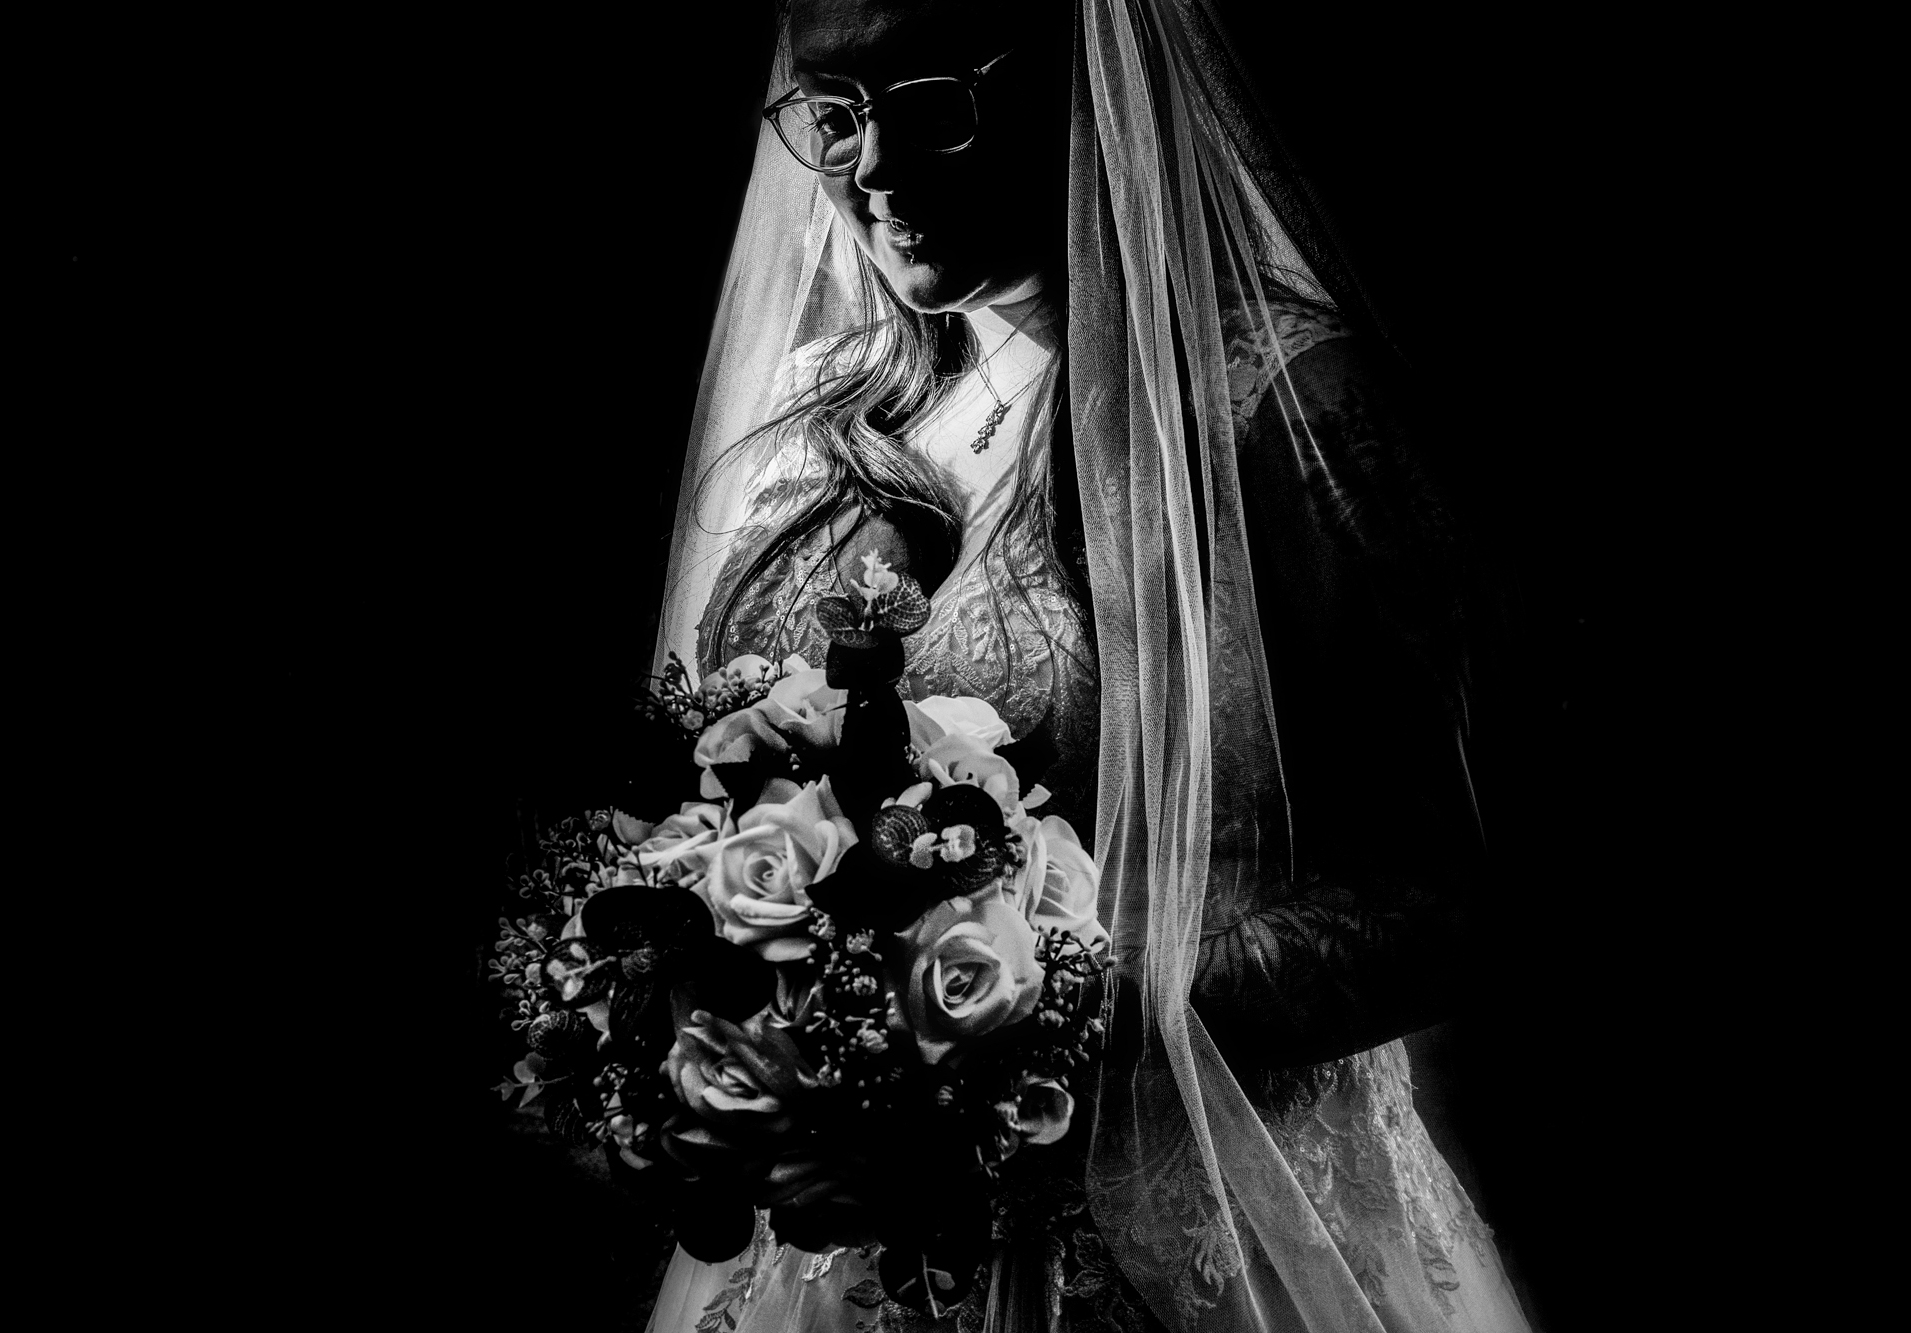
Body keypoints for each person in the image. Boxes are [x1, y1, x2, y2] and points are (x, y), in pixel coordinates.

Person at [644, 2, 1534, 1329]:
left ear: (1071, 83)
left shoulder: (1277, 410)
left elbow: (1477, 879)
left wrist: (1076, 1001)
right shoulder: (818, 434)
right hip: (851, 1244)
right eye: (837, 111)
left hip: (1195, 1234)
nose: (874, 167)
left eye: (936, 101)